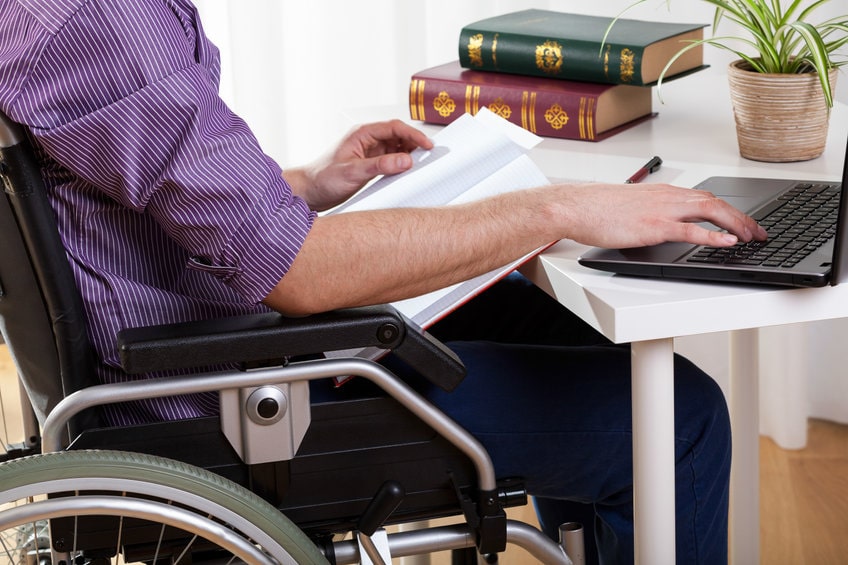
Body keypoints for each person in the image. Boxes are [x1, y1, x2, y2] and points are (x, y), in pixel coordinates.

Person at [0, 1, 766, 563]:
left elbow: (127, 191)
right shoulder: (100, 19)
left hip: (204, 347)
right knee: (676, 417)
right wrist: (556, 207)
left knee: (573, 341)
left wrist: (303, 183)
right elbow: (301, 274)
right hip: (230, 403)